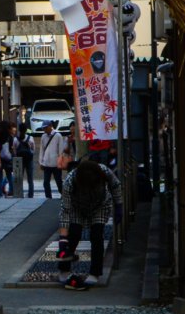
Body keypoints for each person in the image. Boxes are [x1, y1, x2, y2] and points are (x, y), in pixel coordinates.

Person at [56, 159, 122, 290]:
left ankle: (95, 273)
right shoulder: (70, 181)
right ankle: (64, 270)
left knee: (97, 236)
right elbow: (65, 210)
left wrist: (119, 205)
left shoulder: (103, 171)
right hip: (77, 207)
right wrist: (63, 240)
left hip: (100, 206)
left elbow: (116, 185)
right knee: (73, 235)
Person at [37, 121, 68, 199]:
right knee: (46, 182)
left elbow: (61, 151)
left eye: (46, 127)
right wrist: (41, 162)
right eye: (43, 128)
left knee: (59, 181)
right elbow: (42, 150)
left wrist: (60, 162)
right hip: (46, 163)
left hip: (56, 164)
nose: (44, 129)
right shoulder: (43, 136)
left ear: (50, 126)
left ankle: (64, 195)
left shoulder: (58, 136)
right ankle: (48, 197)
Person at [16, 123, 38, 197]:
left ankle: (19, 193)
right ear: (26, 130)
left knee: (19, 178)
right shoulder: (30, 138)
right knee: (30, 179)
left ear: (19, 129)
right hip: (29, 160)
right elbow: (33, 150)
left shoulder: (16, 139)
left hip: (19, 161)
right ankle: (31, 194)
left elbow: (14, 150)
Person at [0, 121, 16, 197]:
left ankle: (0, 193)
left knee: (0, 177)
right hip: (7, 158)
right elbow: (11, 148)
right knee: (9, 175)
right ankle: (11, 190)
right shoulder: (9, 136)